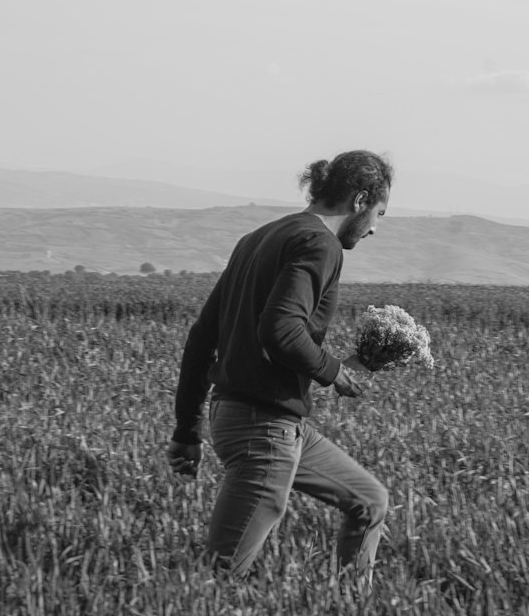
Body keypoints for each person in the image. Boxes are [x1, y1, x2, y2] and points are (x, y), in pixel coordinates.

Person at [166, 149, 393, 581]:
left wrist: (186, 430)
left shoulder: (258, 237)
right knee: (221, 576)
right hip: (263, 427)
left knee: (370, 501)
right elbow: (281, 329)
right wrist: (334, 372)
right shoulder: (320, 243)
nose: (375, 229)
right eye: (379, 213)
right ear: (360, 199)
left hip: (257, 419)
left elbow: (202, 339)